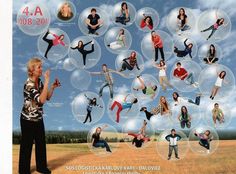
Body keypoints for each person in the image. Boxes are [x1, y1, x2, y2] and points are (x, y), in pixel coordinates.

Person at [19, 58, 61, 174]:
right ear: (32, 70)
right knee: (26, 146)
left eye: (41, 66)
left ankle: (41, 167)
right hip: (27, 119)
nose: (41, 69)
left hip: (38, 118)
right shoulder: (29, 85)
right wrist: (47, 80)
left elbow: (46, 96)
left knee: (41, 144)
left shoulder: (39, 82)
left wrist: (52, 87)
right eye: (39, 67)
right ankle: (23, 171)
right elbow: (41, 101)